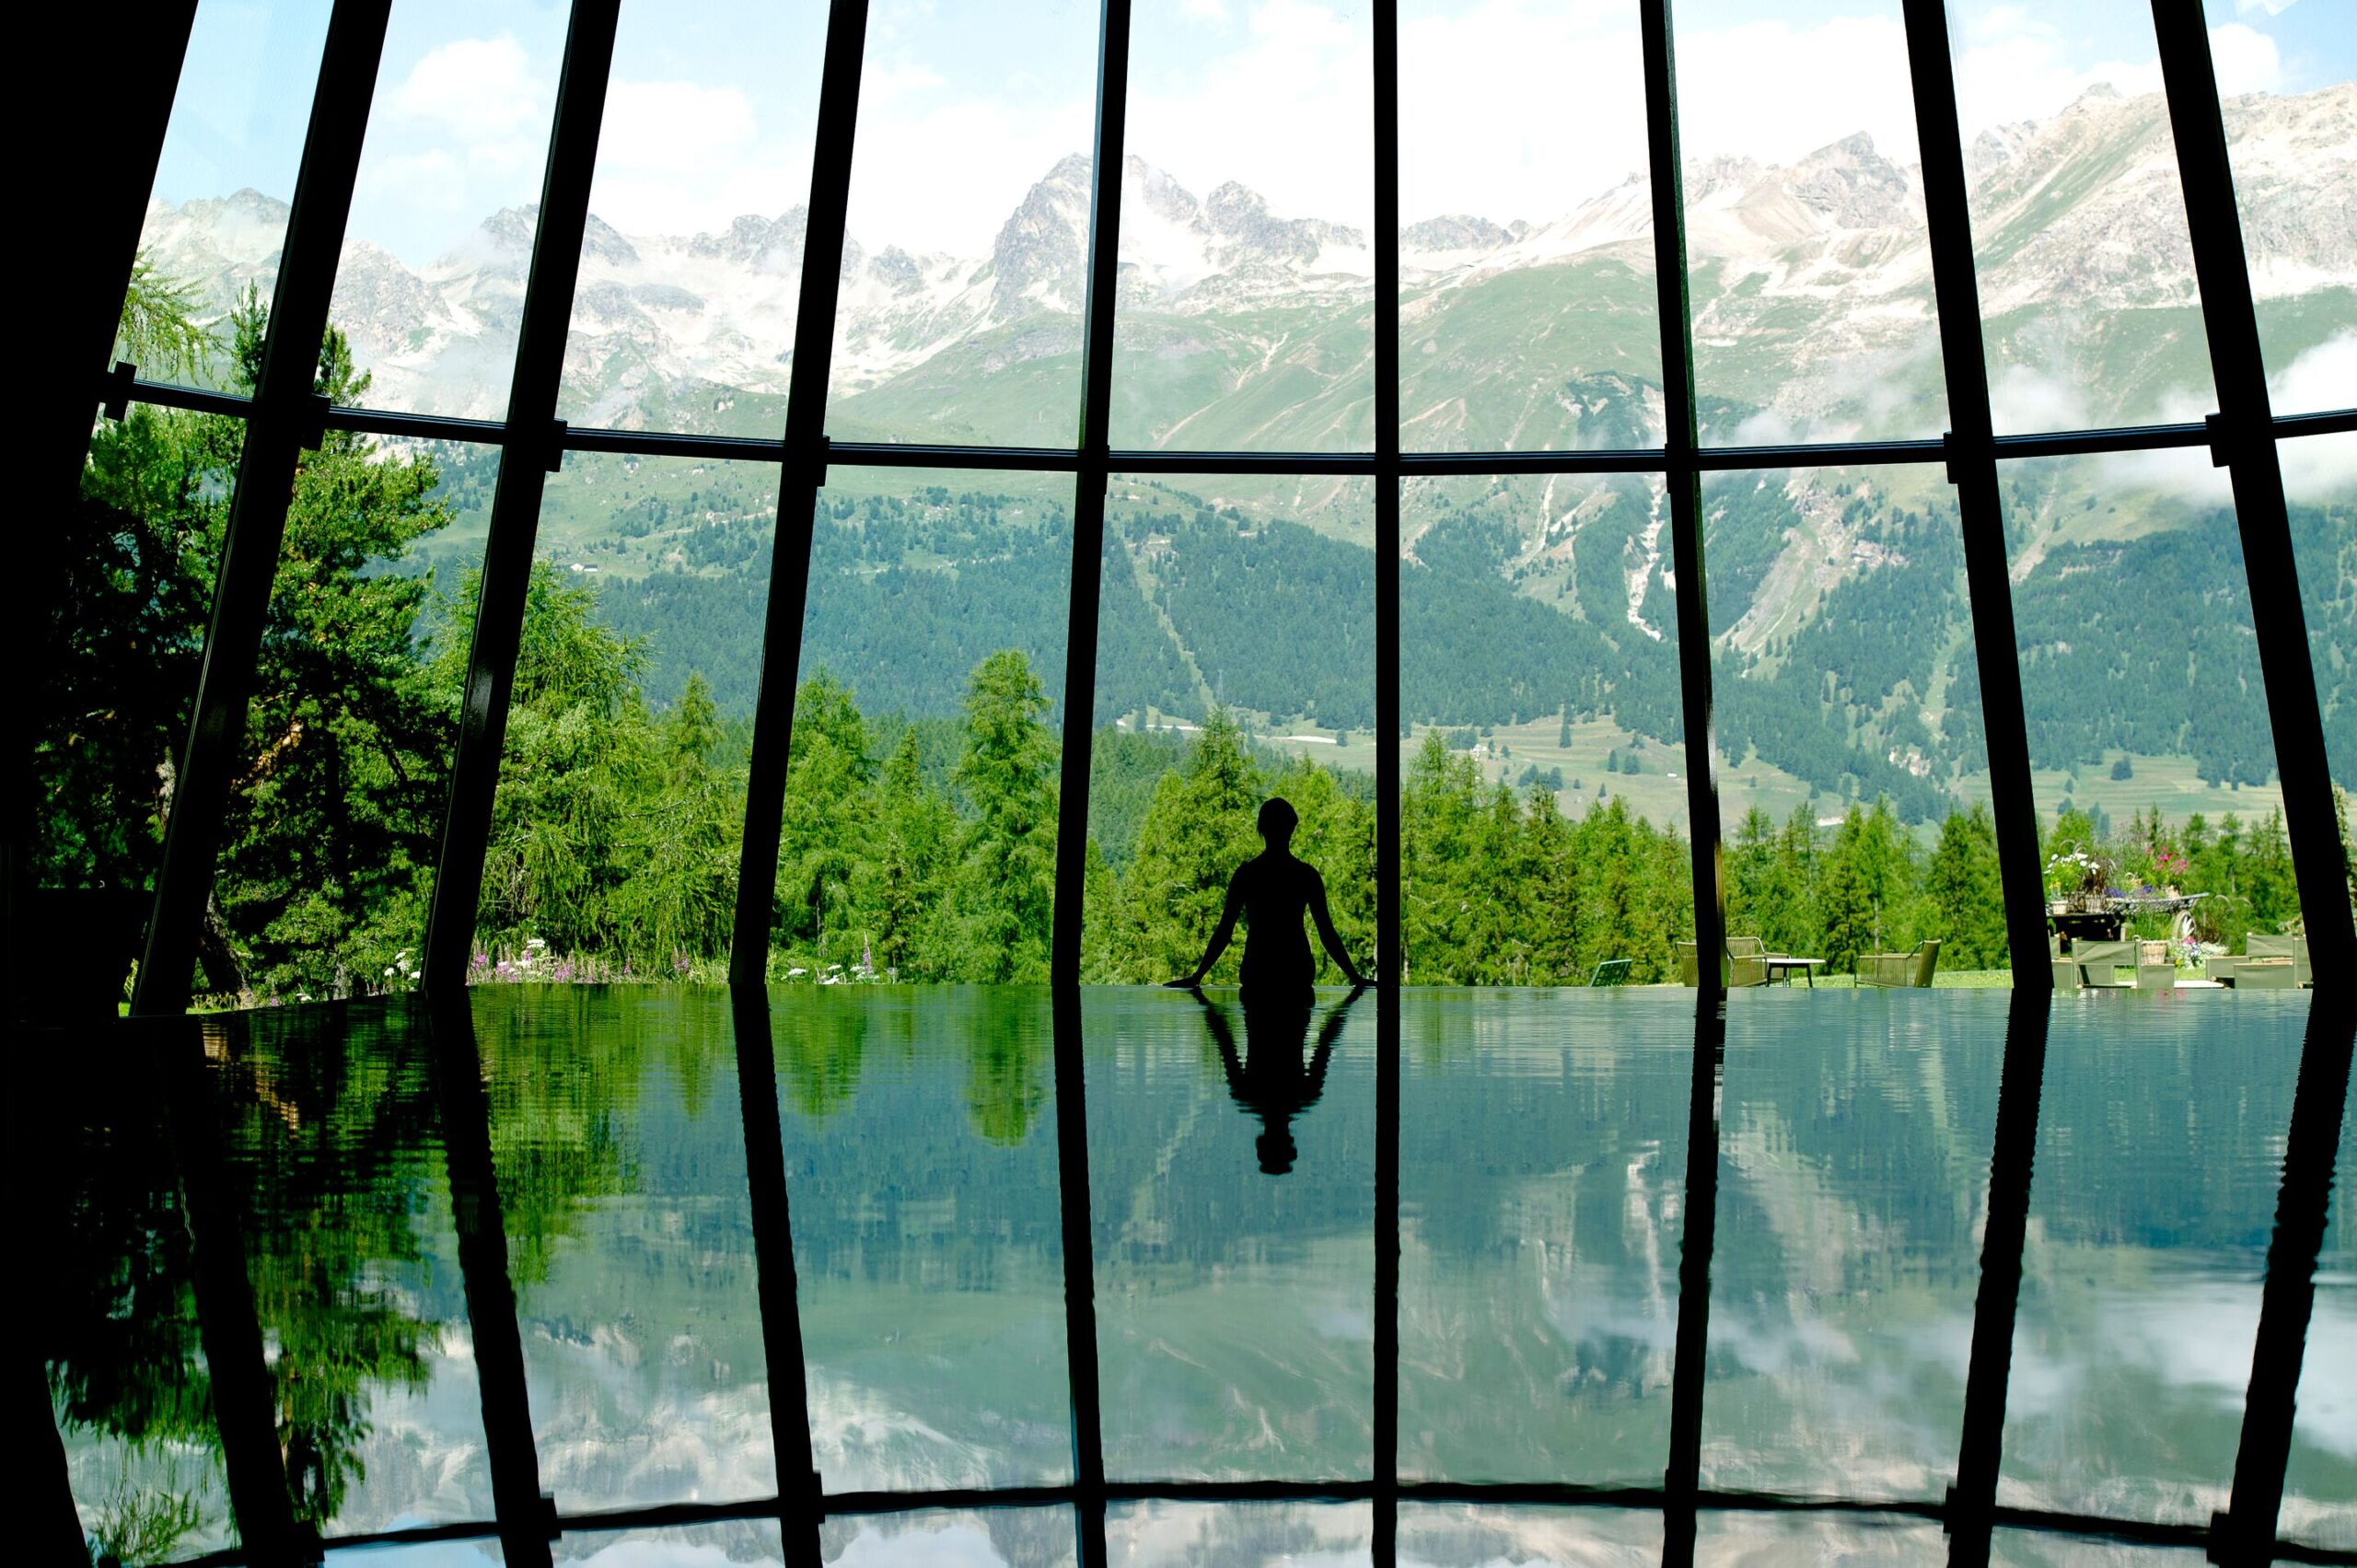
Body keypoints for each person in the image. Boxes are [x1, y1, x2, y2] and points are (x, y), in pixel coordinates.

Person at [1165, 797, 1371, 1004]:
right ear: (1291, 828)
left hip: (1258, 972)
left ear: (1262, 829)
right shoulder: (1306, 875)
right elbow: (1326, 932)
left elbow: (1225, 930)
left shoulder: (1246, 875)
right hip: (1297, 972)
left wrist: (1198, 976)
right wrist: (1355, 977)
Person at [1193, 983, 1360, 1175]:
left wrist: (1202, 998)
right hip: (1295, 991)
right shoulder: (1251, 1095)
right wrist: (1350, 998)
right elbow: (1325, 1042)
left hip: (1259, 992)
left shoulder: (1302, 1095)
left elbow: (1225, 1040)